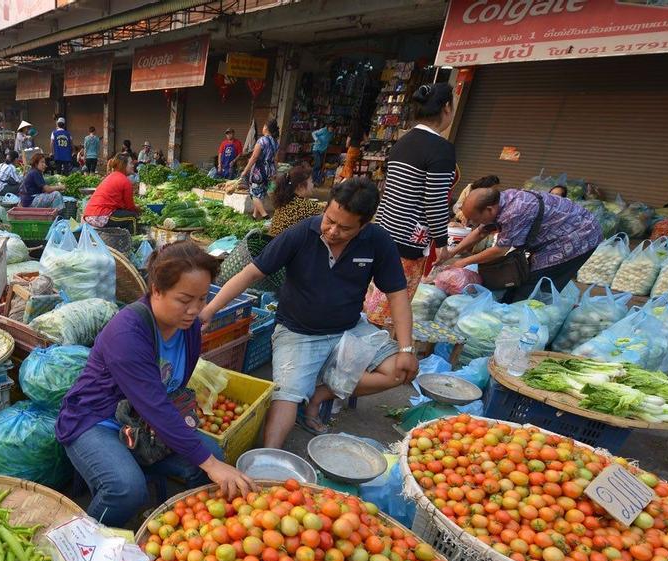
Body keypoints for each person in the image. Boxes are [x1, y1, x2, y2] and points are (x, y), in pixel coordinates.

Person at [199, 178, 417, 444]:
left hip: (349, 328)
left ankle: (320, 394)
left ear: (364, 224)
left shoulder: (377, 241)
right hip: (297, 332)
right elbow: (251, 273)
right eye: (329, 220)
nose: (333, 231)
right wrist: (210, 309)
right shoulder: (300, 234)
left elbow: (397, 294)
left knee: (400, 371)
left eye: (345, 227)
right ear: (325, 208)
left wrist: (406, 349)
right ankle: (268, 456)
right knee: (286, 399)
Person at [56, 241, 256, 526]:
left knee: (213, 454)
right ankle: (83, 541)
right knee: (127, 490)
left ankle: (192, 528)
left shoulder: (189, 329)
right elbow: (157, 407)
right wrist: (211, 466)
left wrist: (209, 460)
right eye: (184, 299)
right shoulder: (127, 334)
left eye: (202, 298)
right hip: (95, 420)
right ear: (156, 290)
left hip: (140, 421)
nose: (194, 309)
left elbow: (170, 394)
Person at [368, 83, 457, 327]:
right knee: (392, 304)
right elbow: (436, 201)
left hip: (386, 232)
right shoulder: (441, 149)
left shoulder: (402, 143)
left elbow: (390, 191)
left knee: (377, 295)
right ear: (447, 107)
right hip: (410, 239)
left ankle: (363, 346)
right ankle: (372, 354)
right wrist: (441, 243)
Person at [455, 186, 601, 303]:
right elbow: (481, 232)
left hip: (579, 236)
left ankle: (520, 321)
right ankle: (508, 306)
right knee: (523, 275)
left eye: (475, 219)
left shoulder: (514, 211)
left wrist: (463, 262)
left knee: (537, 281)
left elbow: (499, 250)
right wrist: (452, 252)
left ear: (489, 209)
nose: (473, 224)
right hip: (559, 233)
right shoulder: (502, 200)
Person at [239, 119, 279, 220]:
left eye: (264, 126)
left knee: (254, 194)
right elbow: (275, 159)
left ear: (266, 128)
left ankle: (265, 216)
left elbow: (254, 157)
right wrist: (275, 171)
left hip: (259, 171)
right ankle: (254, 216)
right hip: (270, 170)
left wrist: (245, 170)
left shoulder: (262, 140)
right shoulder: (275, 142)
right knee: (260, 193)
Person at [82, 157, 137, 228]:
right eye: (130, 163)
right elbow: (130, 207)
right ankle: (131, 238)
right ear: (124, 165)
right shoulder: (125, 181)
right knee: (133, 217)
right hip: (99, 216)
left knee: (124, 215)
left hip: (90, 214)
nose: (133, 165)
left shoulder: (112, 176)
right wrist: (138, 209)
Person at [268, 163, 319, 236]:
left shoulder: (284, 200)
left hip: (274, 243)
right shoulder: (310, 207)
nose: (313, 184)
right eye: (311, 181)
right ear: (300, 186)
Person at [310, 120, 332, 186]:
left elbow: (328, 141)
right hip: (316, 149)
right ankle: (313, 179)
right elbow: (313, 133)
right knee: (318, 164)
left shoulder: (331, 134)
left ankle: (317, 180)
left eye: (333, 129)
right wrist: (316, 139)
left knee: (320, 165)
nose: (332, 129)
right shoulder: (323, 130)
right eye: (331, 128)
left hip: (322, 151)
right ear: (328, 127)